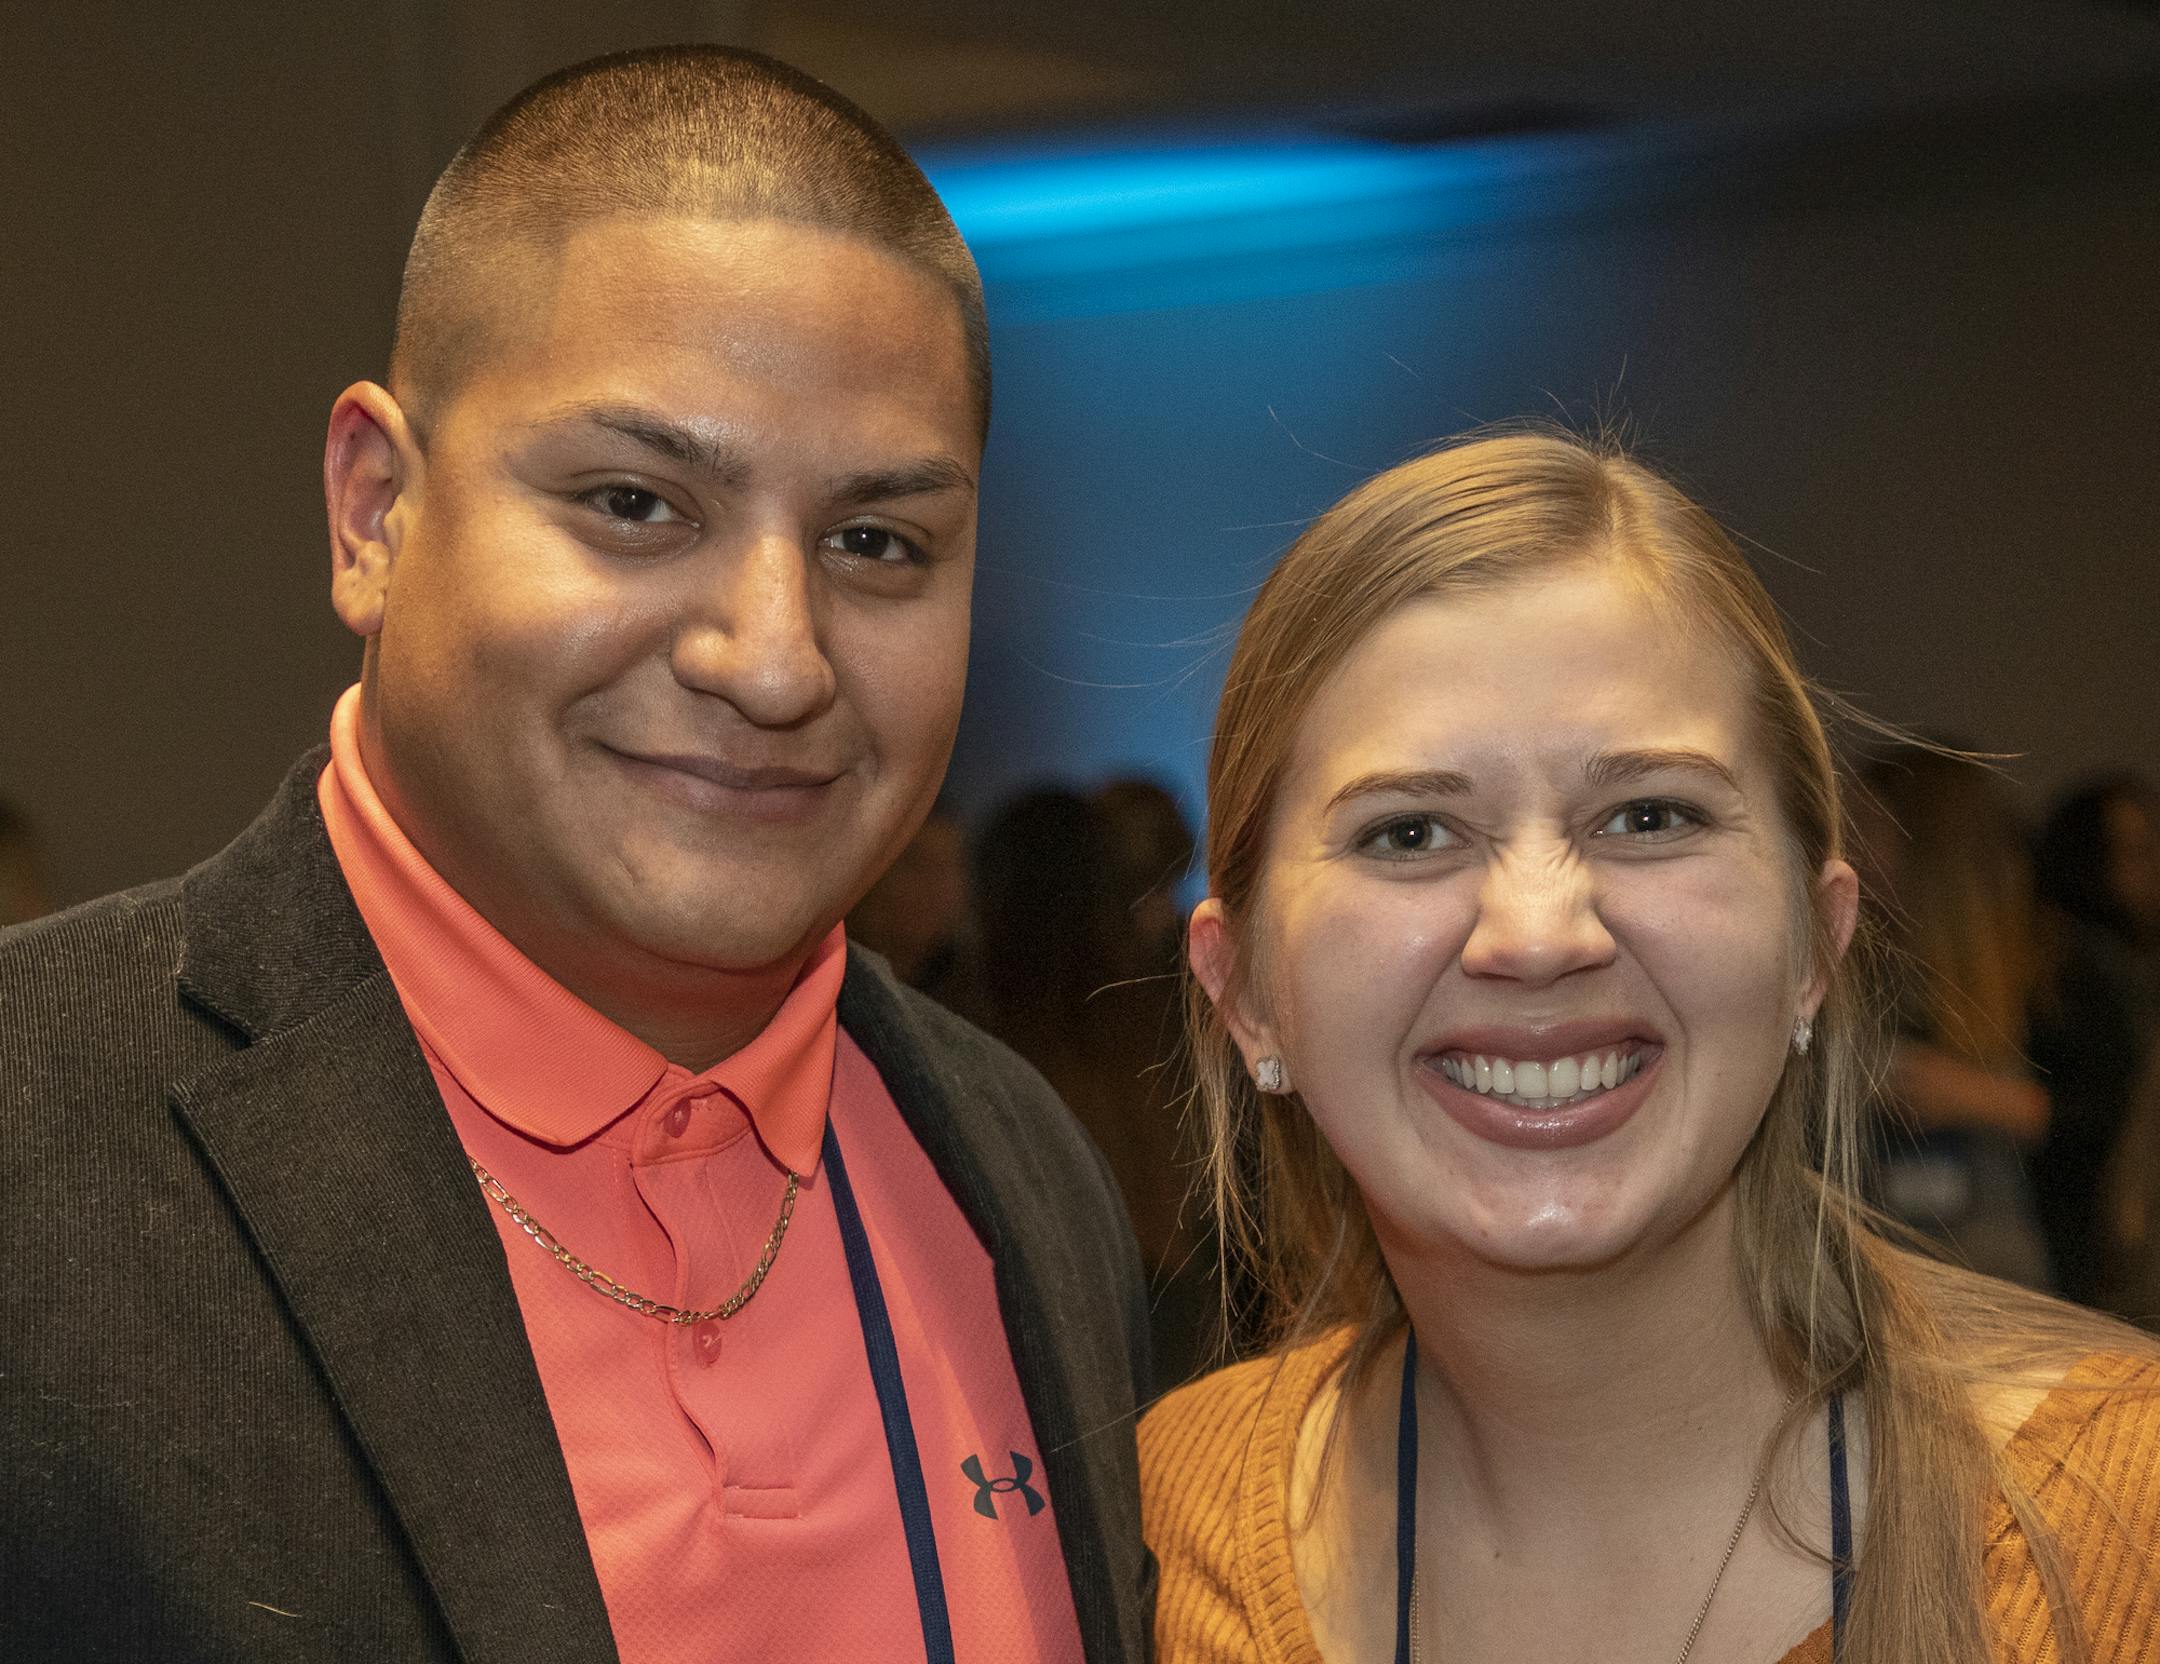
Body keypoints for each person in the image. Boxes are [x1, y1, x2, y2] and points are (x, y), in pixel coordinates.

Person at [0, 47, 1152, 1664]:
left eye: (877, 542)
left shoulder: (1016, 1169)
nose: (774, 655)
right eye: (636, 500)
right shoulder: (38, 1144)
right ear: (374, 511)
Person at [1139, 431, 2160, 1664]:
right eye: (1409, 832)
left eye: (1649, 814)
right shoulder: (1162, 1531)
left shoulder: (2115, 1514)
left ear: (1815, 943)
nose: (1536, 931)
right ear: (1243, 989)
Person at [1852, 746, 2052, 1289]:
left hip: (2002, 1282)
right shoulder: (1855, 964)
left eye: (1871, 828)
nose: (1852, 852)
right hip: (1889, 1275)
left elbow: (2090, 1126)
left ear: (1927, 844)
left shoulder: (2044, 968)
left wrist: (1979, 1096)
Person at [2029, 774, 2160, 1306]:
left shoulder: (2133, 966)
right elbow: (2098, 1114)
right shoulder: (2071, 962)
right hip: (2082, 1250)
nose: (2154, 870)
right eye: (2137, 852)